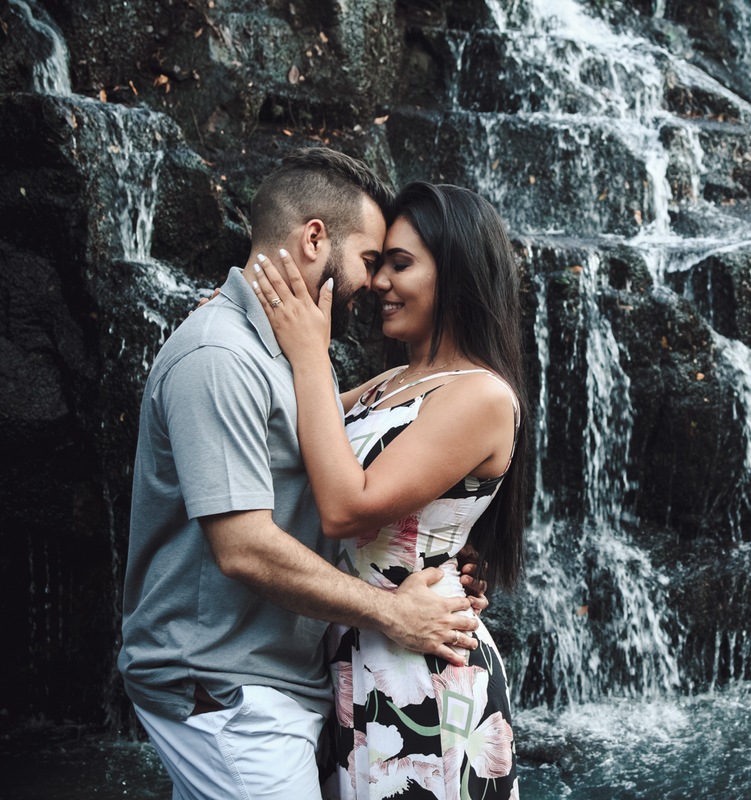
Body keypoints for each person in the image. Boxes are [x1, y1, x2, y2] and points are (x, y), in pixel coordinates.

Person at [117, 149, 486, 800]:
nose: (375, 285)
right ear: (315, 238)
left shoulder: (284, 363)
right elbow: (244, 549)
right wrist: (393, 614)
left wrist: (440, 544)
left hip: (279, 679)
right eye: (372, 261)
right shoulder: (221, 356)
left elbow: (391, 427)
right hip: (225, 686)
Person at [246, 181, 526, 800]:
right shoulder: (392, 382)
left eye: (401, 264)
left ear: (454, 271)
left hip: (422, 670)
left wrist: (310, 354)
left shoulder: (479, 393)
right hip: (351, 652)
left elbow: (347, 507)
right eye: (379, 264)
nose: (377, 283)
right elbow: (292, 442)